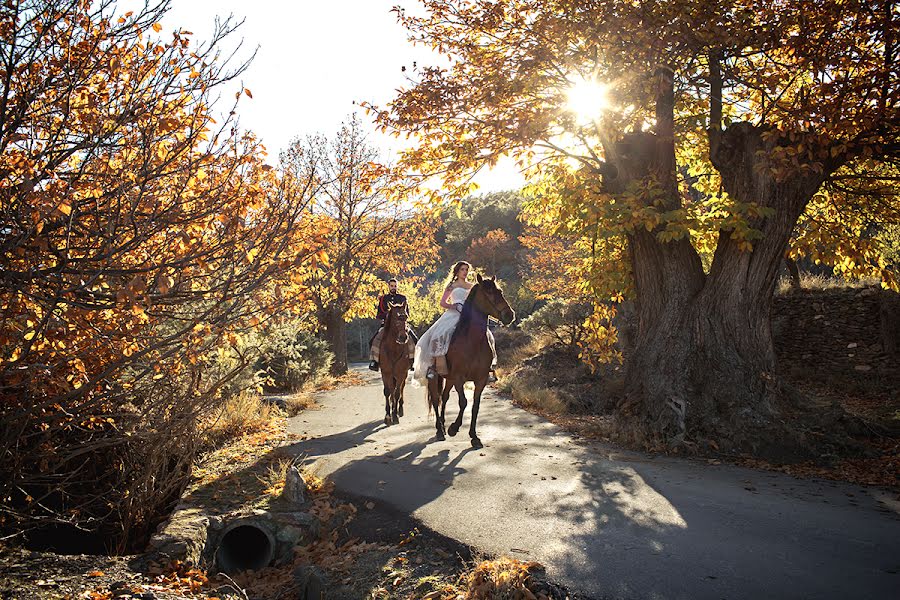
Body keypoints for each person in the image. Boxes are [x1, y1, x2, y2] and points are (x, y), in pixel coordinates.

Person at [412, 261, 497, 385]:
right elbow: (442, 303)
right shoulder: (451, 286)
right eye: (463, 269)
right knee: (438, 335)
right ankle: (434, 366)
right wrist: (454, 306)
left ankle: (488, 369)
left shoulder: (472, 286)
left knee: (488, 336)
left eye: (467, 269)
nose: (465, 272)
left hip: (470, 315)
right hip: (454, 313)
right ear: (457, 271)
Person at [369, 278, 416, 371]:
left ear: (397, 286)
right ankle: (375, 361)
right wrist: (388, 315)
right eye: (392, 286)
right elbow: (378, 315)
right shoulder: (383, 299)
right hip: (387, 325)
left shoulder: (402, 298)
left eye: (395, 286)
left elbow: (407, 313)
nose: (393, 288)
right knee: (373, 341)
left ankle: (412, 360)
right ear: (388, 286)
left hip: (402, 325)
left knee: (415, 339)